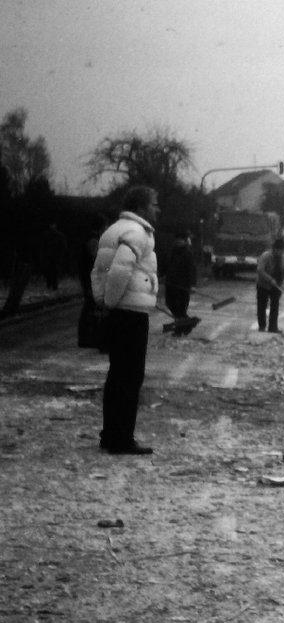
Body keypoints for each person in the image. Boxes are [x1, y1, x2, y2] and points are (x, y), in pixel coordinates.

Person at [90, 185, 160, 455]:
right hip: (131, 312)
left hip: (120, 310)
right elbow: (120, 271)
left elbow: (100, 270)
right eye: (154, 203)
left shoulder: (114, 229)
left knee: (117, 374)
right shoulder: (137, 233)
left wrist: (102, 300)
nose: (157, 209)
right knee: (131, 376)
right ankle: (122, 438)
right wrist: (111, 300)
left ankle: (110, 434)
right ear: (141, 207)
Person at [160, 229, 197, 336]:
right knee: (170, 304)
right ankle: (187, 324)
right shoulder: (172, 251)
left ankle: (180, 329)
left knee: (180, 308)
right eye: (176, 239)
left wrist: (192, 285)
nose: (177, 241)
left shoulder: (187, 253)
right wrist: (160, 274)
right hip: (170, 284)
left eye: (180, 240)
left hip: (182, 286)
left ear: (185, 241)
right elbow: (166, 264)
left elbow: (192, 269)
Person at [77, 213, 105, 348]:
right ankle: (87, 338)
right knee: (91, 308)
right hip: (91, 279)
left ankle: (87, 337)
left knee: (91, 307)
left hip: (87, 277)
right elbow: (97, 261)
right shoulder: (94, 241)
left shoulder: (89, 238)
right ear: (102, 226)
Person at [256, 237, 284, 333]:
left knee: (275, 306)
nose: (280, 252)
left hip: (277, 285)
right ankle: (262, 326)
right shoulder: (266, 256)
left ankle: (273, 327)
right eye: (278, 250)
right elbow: (260, 270)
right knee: (262, 305)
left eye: (282, 251)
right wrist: (270, 279)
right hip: (263, 284)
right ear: (274, 249)